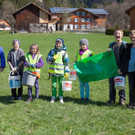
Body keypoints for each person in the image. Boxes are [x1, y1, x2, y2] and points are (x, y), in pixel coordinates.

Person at [46, 38, 69, 103]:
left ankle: (61, 97)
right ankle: (53, 97)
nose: (58, 45)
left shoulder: (64, 53)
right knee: (54, 85)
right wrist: (52, 58)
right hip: (53, 72)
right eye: (57, 43)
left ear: (62, 44)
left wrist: (67, 71)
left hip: (61, 72)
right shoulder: (52, 51)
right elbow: (47, 60)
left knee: (61, 85)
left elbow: (67, 62)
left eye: (60, 43)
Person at [107, 29, 126, 106]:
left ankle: (122, 99)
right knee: (111, 84)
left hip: (121, 68)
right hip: (112, 68)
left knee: (121, 85)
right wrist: (108, 52)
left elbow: (125, 58)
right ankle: (112, 99)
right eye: (116, 33)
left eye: (119, 33)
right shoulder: (111, 45)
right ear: (114, 35)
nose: (118, 35)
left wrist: (121, 68)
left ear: (122, 35)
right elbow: (108, 57)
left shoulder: (124, 45)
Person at [120, 30, 135, 109]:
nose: (133, 38)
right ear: (129, 37)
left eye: (134, 37)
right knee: (131, 87)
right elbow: (123, 58)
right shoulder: (128, 46)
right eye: (132, 37)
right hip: (130, 69)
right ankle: (131, 103)